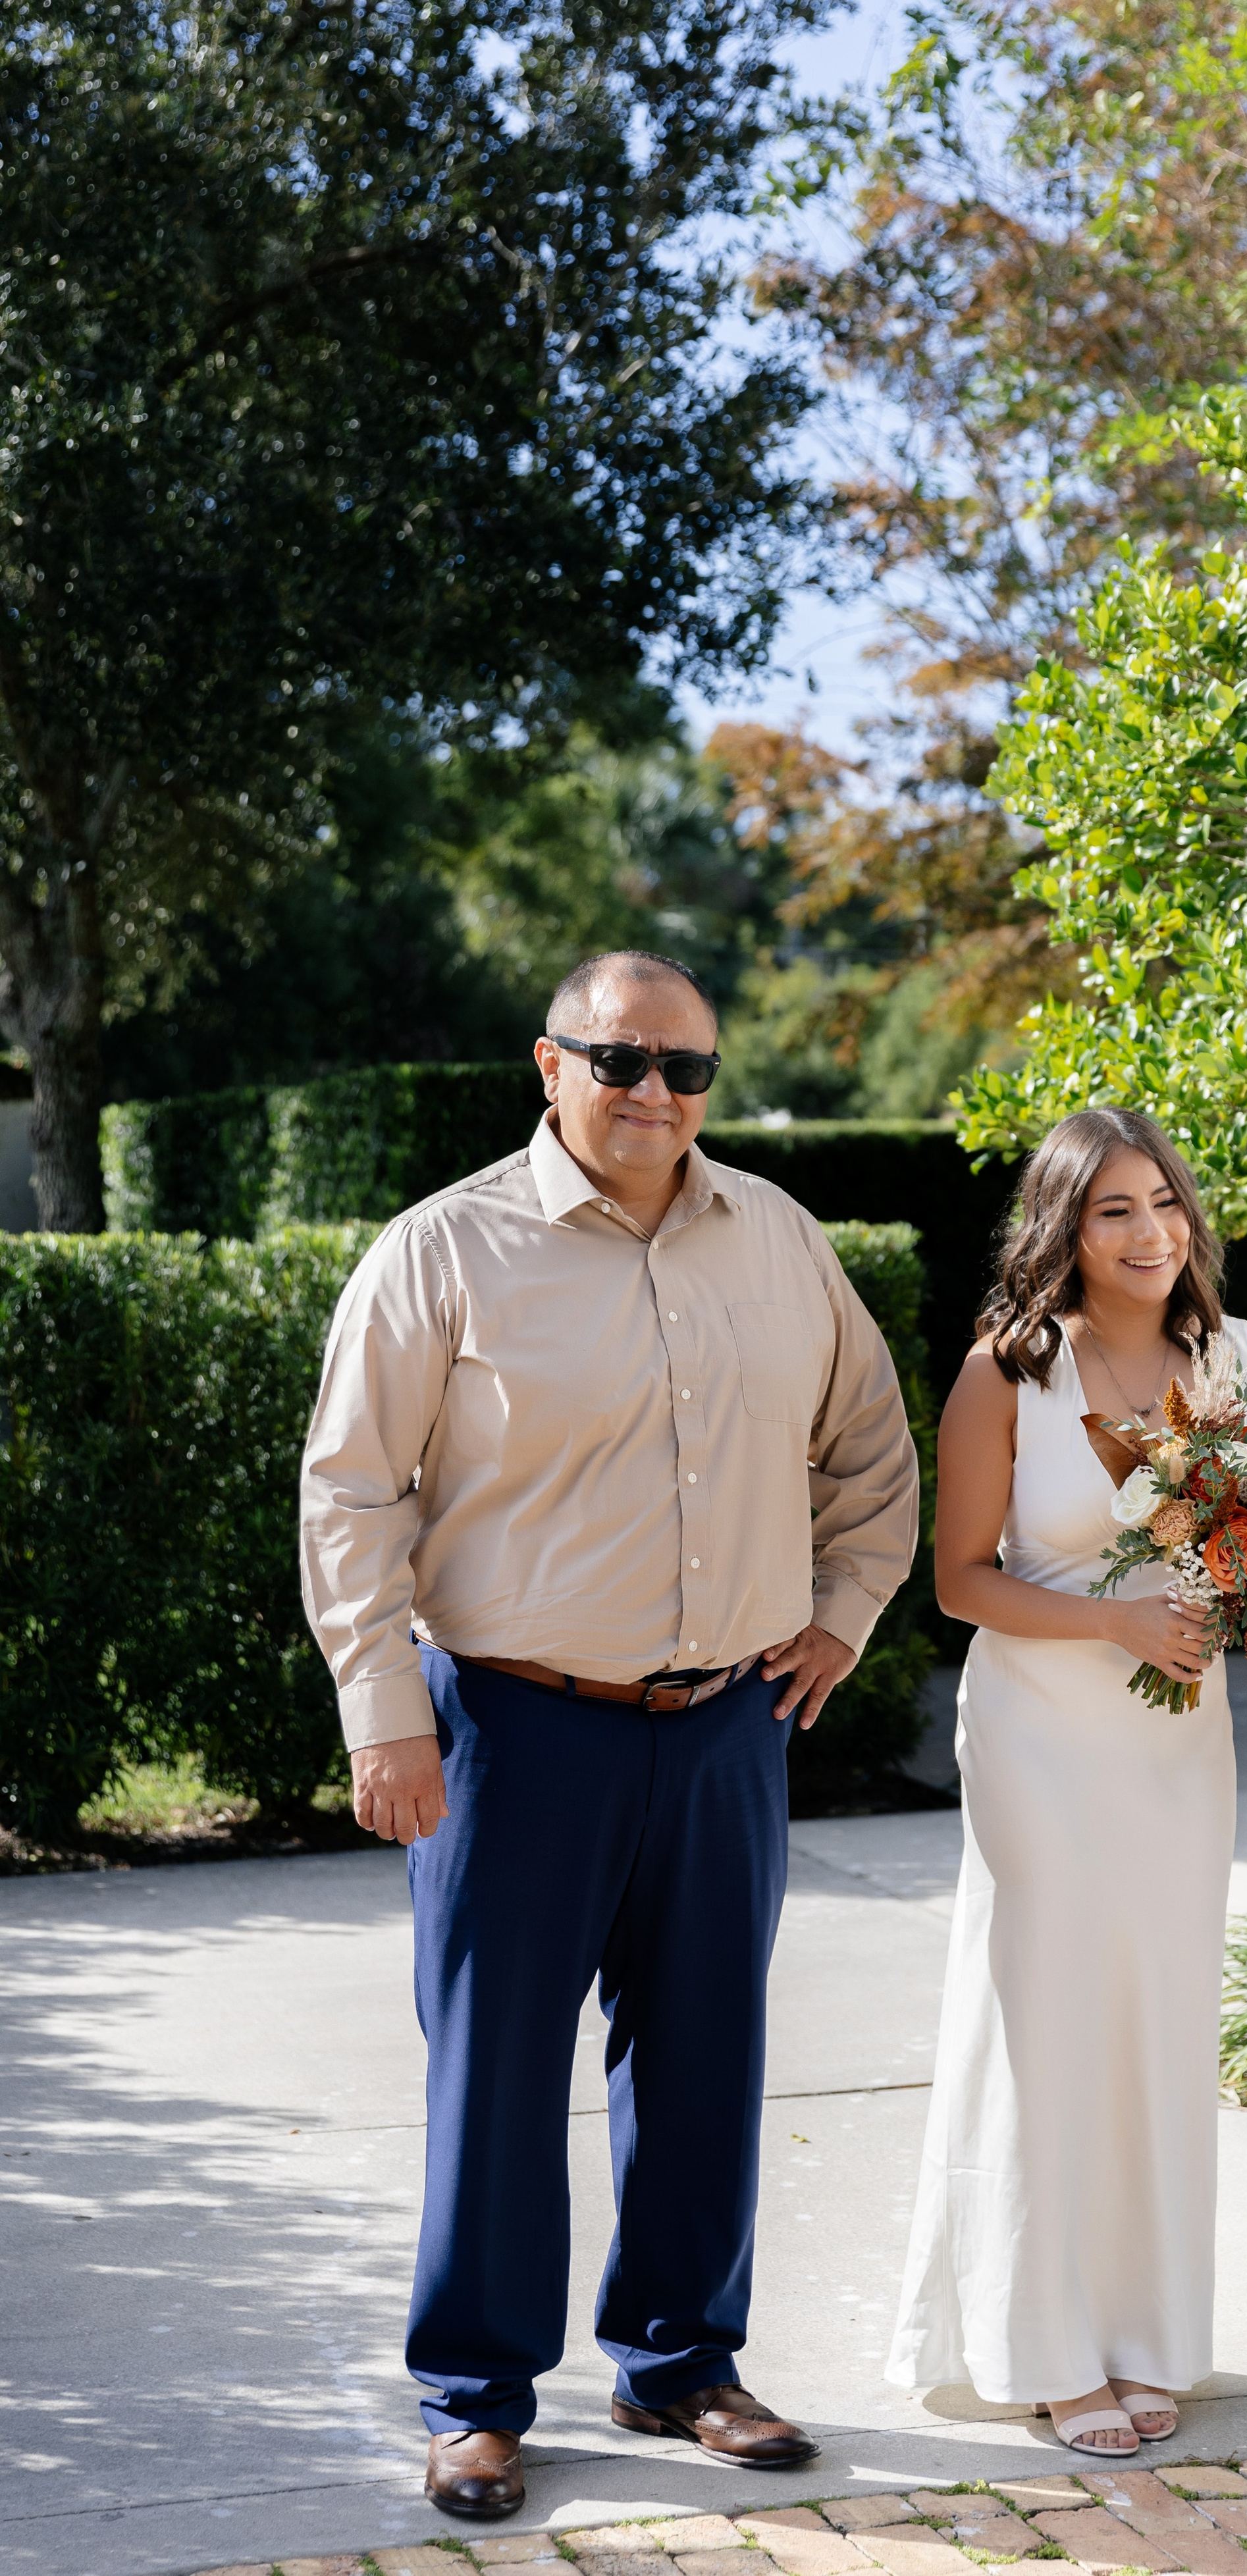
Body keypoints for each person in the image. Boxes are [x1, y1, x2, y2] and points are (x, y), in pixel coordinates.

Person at [299, 949, 918, 2518]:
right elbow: (353, 1493)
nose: (656, 1094)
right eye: (620, 1060)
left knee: (708, 2053)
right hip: (510, 1728)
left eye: (686, 1068)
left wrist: (841, 1611)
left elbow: (869, 1446)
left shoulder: (776, 1241)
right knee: (498, 2069)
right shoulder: (443, 1252)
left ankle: (680, 2364)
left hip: (724, 1728)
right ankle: (477, 2395)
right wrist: (385, 1713)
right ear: (548, 1063)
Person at [885, 1105, 1247, 2456]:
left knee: (1153, 2018)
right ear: (1063, 1230)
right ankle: (1046, 2345)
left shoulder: (1241, 1361)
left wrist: (1229, 1600)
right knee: (1048, 2014)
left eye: (1163, 1203)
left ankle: (1143, 2335)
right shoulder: (1006, 1369)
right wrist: (1115, 1620)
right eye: (1112, 1209)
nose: (1148, 1232)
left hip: (1175, 1743)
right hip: (1037, 1734)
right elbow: (957, 1581)